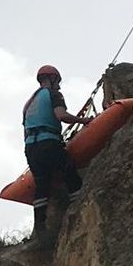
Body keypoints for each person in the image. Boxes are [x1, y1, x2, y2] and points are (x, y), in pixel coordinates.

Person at [22, 65, 91, 240]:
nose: (59, 86)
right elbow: (61, 115)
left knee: (41, 185)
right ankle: (78, 210)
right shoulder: (54, 95)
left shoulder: (28, 103)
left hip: (31, 148)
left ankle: (40, 228)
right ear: (52, 79)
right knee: (69, 172)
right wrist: (83, 120)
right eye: (57, 82)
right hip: (49, 142)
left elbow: (25, 130)